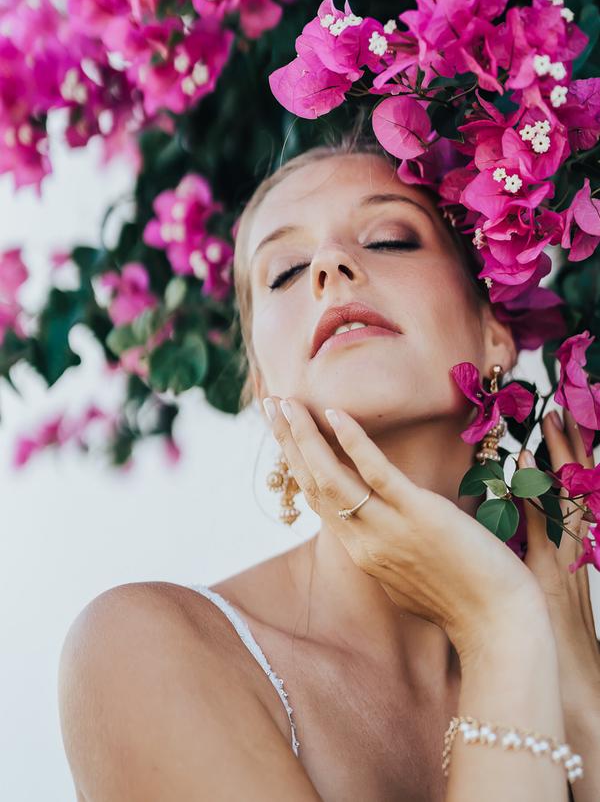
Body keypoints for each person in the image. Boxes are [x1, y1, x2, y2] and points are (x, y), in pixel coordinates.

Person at [57, 133, 591, 802]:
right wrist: (500, 630)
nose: (331, 263)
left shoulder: (569, 645)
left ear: (494, 331)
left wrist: (580, 687)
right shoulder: (145, 650)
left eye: (391, 237)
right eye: (282, 270)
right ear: (260, 384)